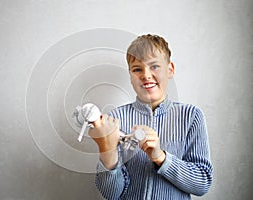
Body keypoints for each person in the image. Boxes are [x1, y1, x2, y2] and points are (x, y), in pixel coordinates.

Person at [88, 34, 213, 200]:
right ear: (130, 75)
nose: (146, 75)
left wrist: (160, 157)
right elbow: (111, 194)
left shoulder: (191, 116)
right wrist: (107, 150)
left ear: (170, 70)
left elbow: (202, 184)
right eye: (137, 69)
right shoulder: (115, 119)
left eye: (154, 66)